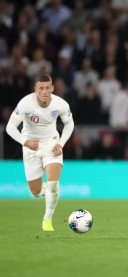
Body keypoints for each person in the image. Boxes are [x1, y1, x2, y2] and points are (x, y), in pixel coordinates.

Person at [6, 74, 74, 231]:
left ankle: (47, 220)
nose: (44, 91)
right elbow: (10, 127)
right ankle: (43, 192)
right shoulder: (25, 104)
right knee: (35, 192)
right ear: (35, 89)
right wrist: (25, 142)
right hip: (31, 146)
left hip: (51, 143)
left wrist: (60, 144)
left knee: (54, 184)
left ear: (52, 88)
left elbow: (69, 124)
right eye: (41, 88)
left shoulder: (60, 104)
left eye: (47, 88)